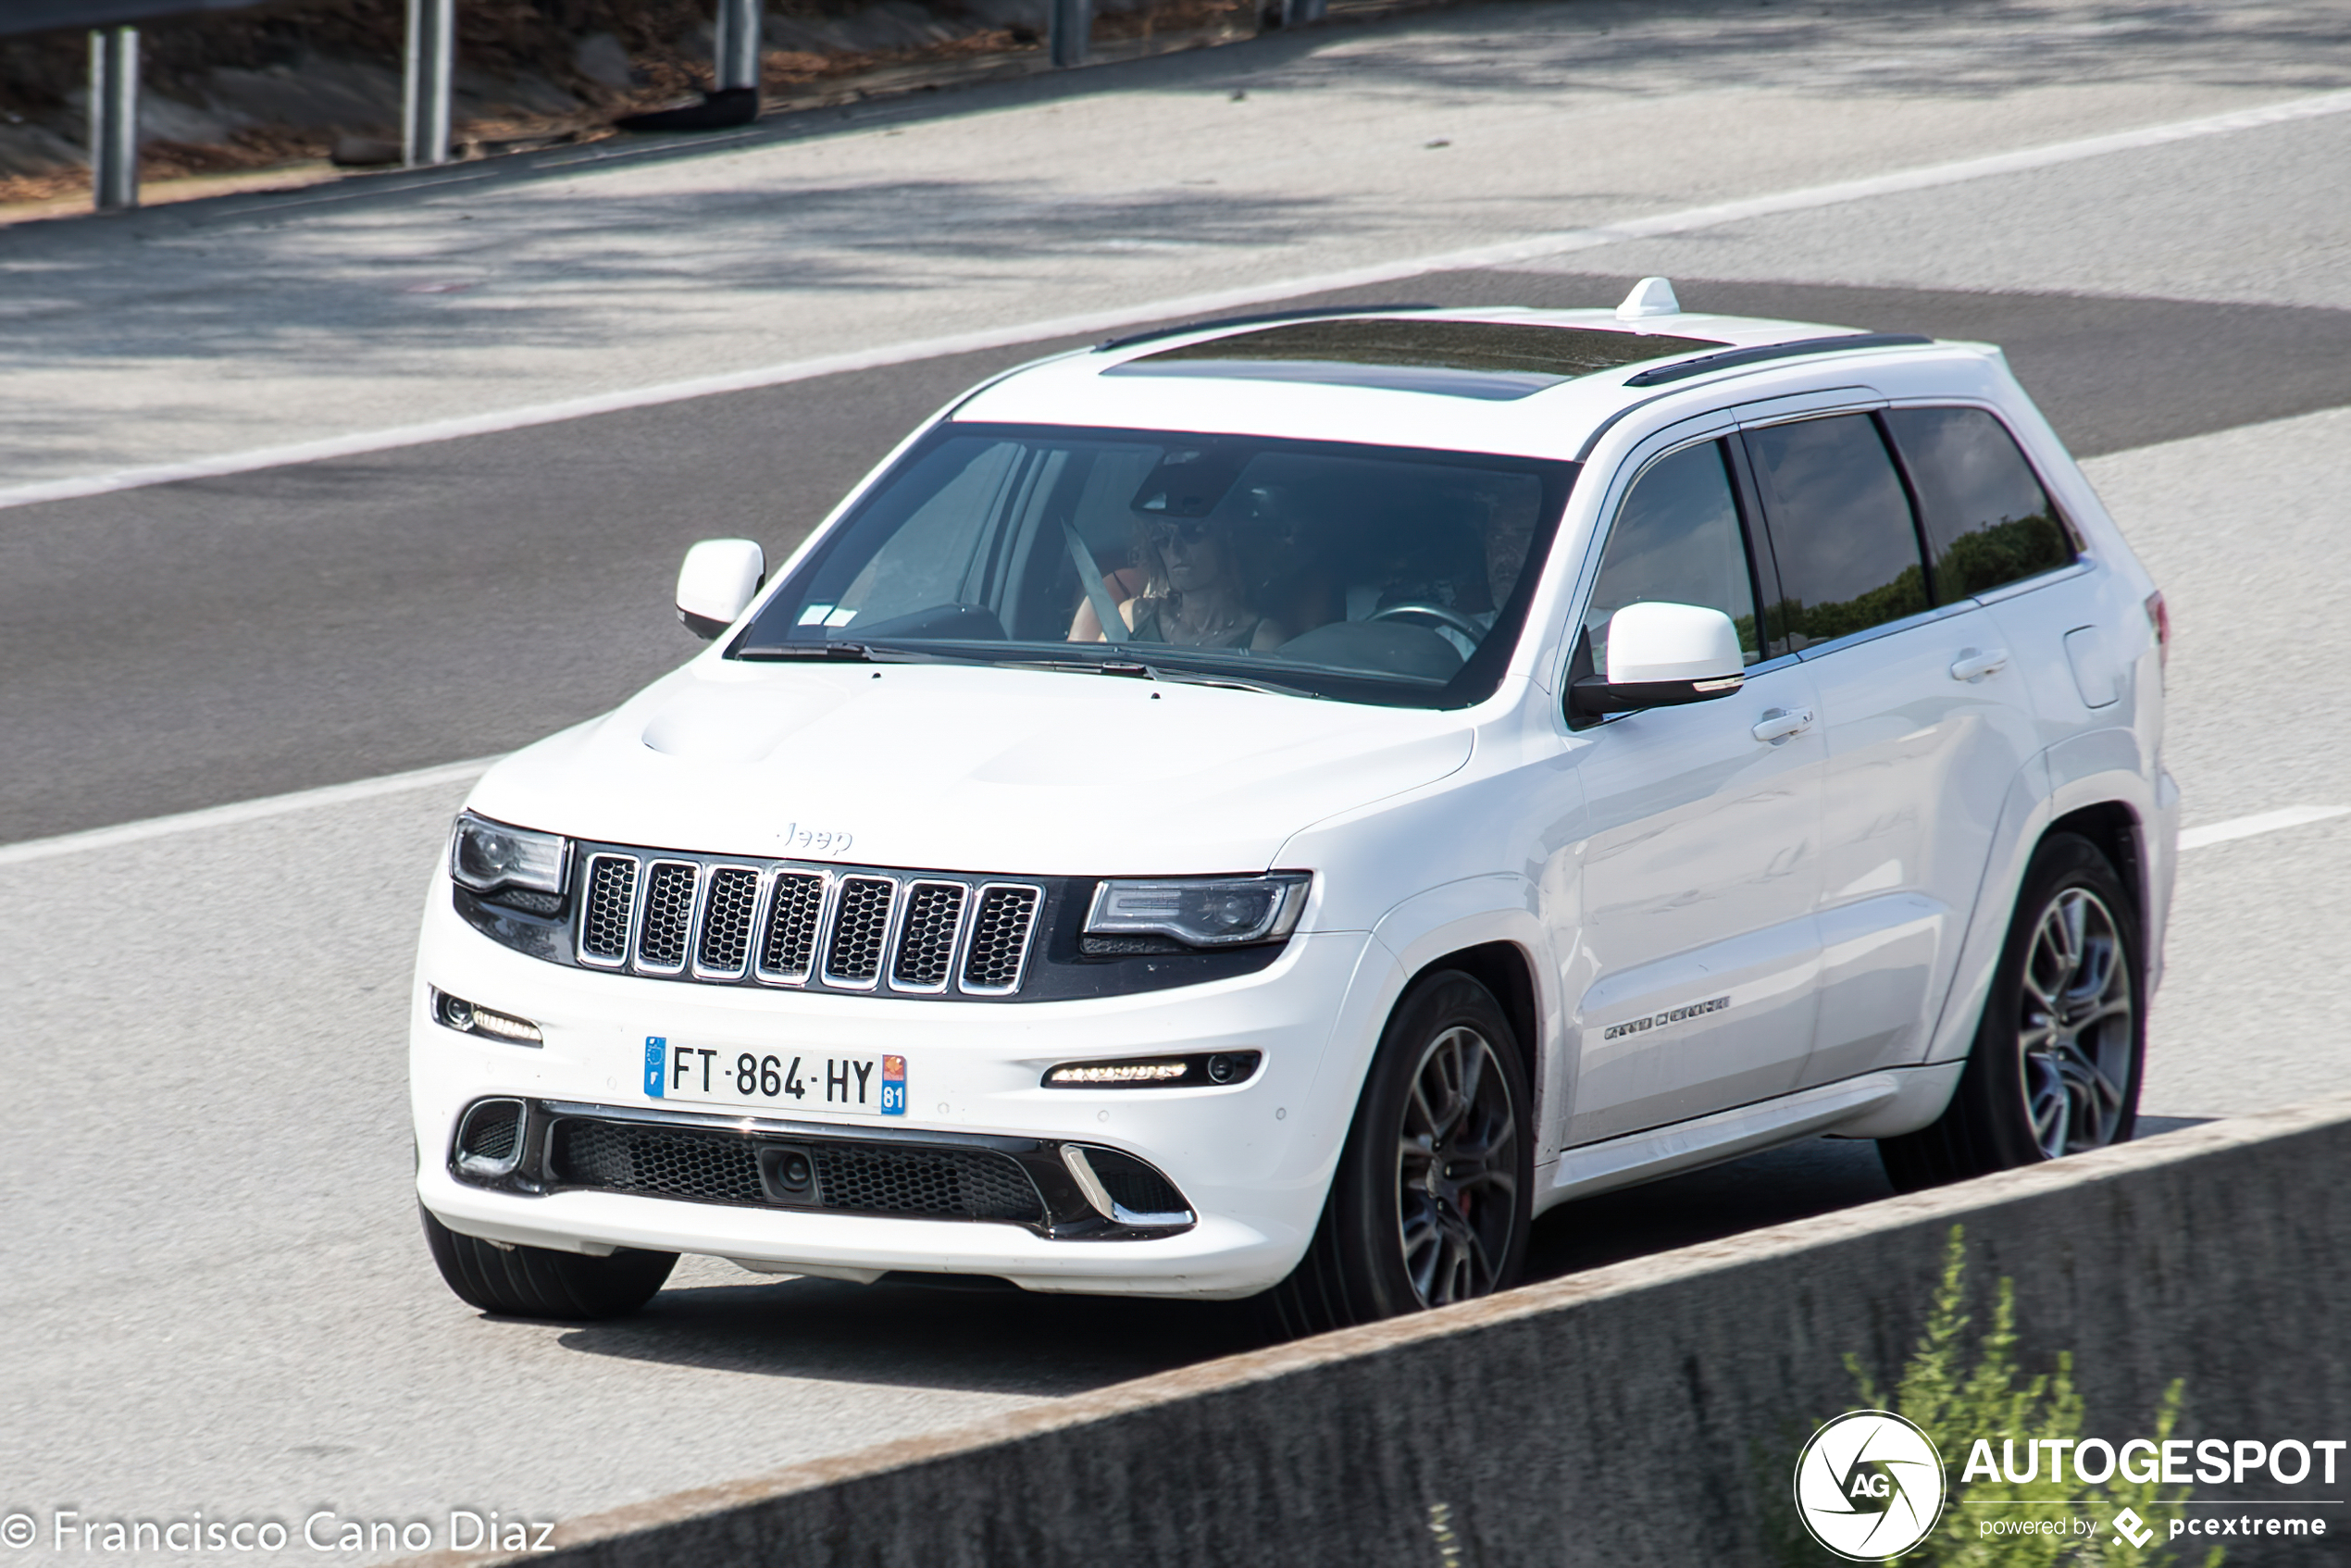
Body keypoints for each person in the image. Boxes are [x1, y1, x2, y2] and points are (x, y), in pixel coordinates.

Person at [1070, 515, 1287, 651]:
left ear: (1228, 540)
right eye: (1163, 538)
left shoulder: (1261, 640)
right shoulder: (1131, 618)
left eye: (1191, 534)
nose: (1175, 549)